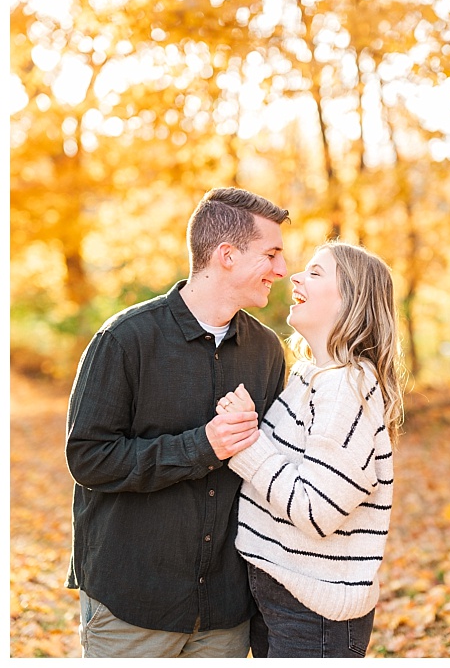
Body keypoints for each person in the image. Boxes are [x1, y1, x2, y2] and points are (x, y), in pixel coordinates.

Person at [65, 187, 290, 658]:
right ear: (227, 255)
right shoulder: (125, 339)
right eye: (271, 254)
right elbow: (88, 458)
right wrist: (201, 447)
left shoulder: (267, 351)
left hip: (226, 613)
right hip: (133, 605)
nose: (281, 270)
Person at [216, 241, 404, 658]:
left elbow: (317, 510)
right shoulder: (309, 377)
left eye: (316, 273)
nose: (295, 277)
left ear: (351, 302)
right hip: (279, 594)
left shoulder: (346, 389)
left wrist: (245, 443)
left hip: (314, 613)